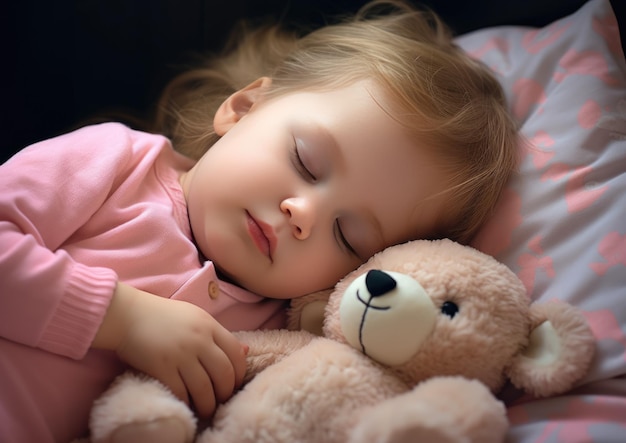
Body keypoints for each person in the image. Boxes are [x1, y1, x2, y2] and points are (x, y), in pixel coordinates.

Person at [0, 1, 518, 441]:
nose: (304, 214)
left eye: (347, 235)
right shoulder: (116, 164)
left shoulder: (279, 333)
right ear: (245, 106)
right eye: (306, 161)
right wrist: (123, 319)